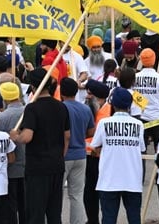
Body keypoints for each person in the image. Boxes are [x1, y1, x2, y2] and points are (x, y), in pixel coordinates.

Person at [10, 68, 71, 224]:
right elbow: (67, 136)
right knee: (54, 213)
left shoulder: (32, 108)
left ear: (32, 86)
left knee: (36, 213)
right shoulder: (61, 106)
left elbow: (27, 136)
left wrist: (16, 136)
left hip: (37, 168)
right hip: (57, 165)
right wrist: (60, 155)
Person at [91, 88, 145, 224]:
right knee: (134, 218)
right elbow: (142, 148)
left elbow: (94, 146)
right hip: (132, 180)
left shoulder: (104, 123)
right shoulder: (139, 125)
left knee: (108, 218)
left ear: (113, 104)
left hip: (109, 180)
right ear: (130, 105)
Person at [60, 77, 95, 224]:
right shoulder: (85, 108)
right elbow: (91, 131)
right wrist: (80, 135)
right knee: (77, 195)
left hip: (63, 155)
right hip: (80, 155)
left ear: (61, 93)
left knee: (57, 194)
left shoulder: (60, 108)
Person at [0, 80, 27, 224]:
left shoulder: (1, 118)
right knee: (26, 205)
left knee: (11, 206)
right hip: (28, 164)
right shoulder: (29, 111)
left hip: (11, 166)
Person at [83, 79, 112, 224]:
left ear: (99, 97)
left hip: (103, 158)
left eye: (89, 94)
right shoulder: (88, 109)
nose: (86, 97)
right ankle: (92, 220)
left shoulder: (109, 112)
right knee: (89, 192)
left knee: (104, 193)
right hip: (87, 156)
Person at [134, 48, 159, 149]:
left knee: (141, 151)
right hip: (157, 118)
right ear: (154, 60)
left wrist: (143, 104)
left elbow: (133, 96)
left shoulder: (135, 78)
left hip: (140, 117)